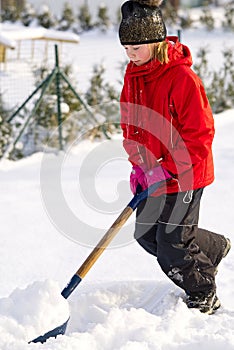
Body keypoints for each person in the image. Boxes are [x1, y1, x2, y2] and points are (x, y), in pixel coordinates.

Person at [118, 0, 231, 314]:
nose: (130, 53)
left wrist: (167, 168)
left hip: (187, 174)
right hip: (154, 174)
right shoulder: (134, 76)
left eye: (136, 47)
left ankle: (203, 291)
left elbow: (200, 135)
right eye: (126, 47)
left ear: (155, 42)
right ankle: (215, 246)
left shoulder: (181, 79)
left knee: (172, 244)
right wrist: (139, 167)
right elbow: (132, 128)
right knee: (146, 233)